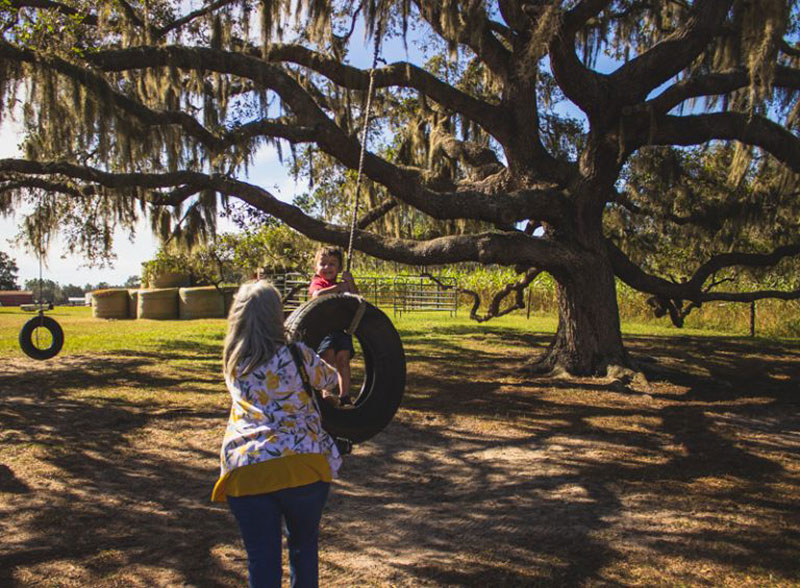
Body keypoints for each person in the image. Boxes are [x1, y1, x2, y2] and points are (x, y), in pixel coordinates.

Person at [212, 280, 342, 588]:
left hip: (248, 467)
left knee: (262, 558)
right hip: (303, 464)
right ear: (276, 315)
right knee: (303, 547)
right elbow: (331, 381)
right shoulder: (297, 354)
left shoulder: (233, 363)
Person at [307, 246, 358, 406]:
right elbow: (317, 295)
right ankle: (326, 393)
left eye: (332, 264)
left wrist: (350, 283)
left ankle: (344, 396)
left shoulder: (342, 283)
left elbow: (357, 300)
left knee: (343, 360)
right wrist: (338, 288)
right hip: (323, 328)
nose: (327, 267)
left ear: (339, 268)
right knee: (328, 359)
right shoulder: (318, 282)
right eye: (323, 264)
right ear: (316, 267)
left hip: (341, 328)